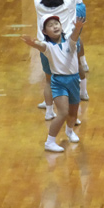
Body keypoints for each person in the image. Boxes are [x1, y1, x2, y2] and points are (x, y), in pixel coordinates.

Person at [22, 16, 86, 153]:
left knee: (73, 112)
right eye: (50, 25)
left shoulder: (70, 42)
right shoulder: (48, 47)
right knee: (63, 112)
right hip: (59, 82)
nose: (55, 26)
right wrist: (32, 43)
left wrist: (78, 27)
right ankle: (49, 142)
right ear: (44, 32)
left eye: (56, 23)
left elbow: (75, 35)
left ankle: (69, 132)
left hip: (73, 80)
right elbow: (40, 45)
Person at [22, 0, 75, 121]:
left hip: (44, 47)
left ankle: (49, 111)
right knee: (66, 79)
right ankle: (71, 113)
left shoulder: (39, 4)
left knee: (48, 80)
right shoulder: (66, 3)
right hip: (63, 47)